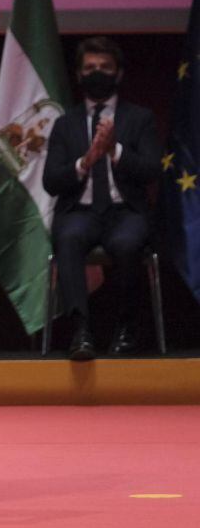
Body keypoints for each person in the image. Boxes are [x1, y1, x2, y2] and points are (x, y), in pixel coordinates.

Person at [42, 36, 161, 360]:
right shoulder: (65, 124)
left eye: (105, 68)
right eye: (90, 67)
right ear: (79, 75)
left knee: (126, 244)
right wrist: (87, 161)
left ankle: (127, 330)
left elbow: (152, 171)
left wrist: (115, 151)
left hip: (126, 212)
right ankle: (81, 331)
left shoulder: (140, 119)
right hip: (79, 211)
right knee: (68, 237)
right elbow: (51, 181)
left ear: (118, 74)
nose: (98, 73)